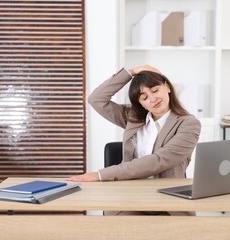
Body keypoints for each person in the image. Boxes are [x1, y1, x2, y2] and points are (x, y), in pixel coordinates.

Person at [67, 65, 201, 215]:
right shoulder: (133, 117)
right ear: (140, 103)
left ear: (167, 87)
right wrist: (130, 72)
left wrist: (100, 174)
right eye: (144, 97)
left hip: (168, 201)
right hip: (132, 196)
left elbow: (158, 160)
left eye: (155, 90)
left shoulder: (188, 124)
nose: (153, 99)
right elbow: (96, 99)